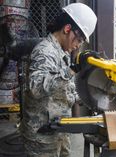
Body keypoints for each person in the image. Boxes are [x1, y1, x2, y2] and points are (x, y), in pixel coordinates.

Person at [20, 3, 97, 157]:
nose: (78, 45)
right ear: (67, 29)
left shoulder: (61, 52)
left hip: (59, 129)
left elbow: (62, 89)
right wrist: (72, 70)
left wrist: (88, 97)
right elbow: (36, 88)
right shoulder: (44, 51)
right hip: (42, 137)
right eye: (79, 39)